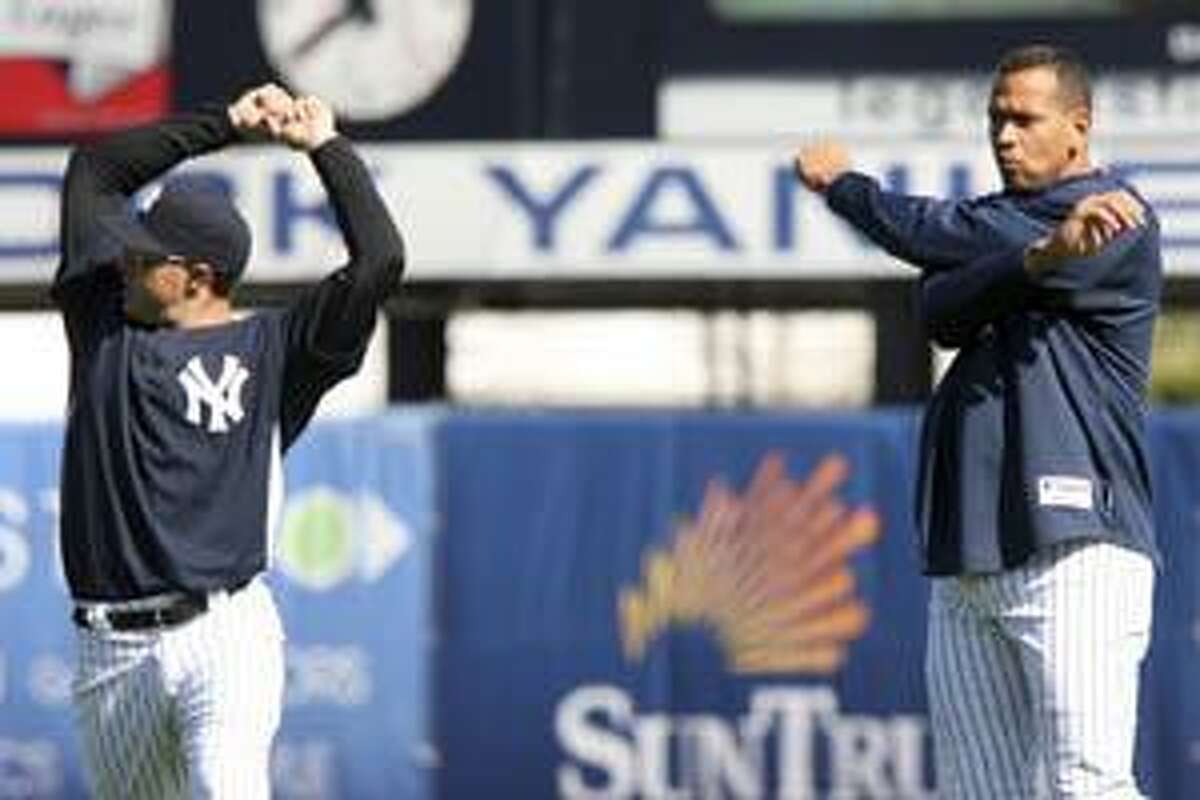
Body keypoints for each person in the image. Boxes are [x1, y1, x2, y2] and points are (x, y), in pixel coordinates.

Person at [795, 44, 1160, 798]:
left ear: (1078, 128)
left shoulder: (1115, 219)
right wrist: (1032, 261)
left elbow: (931, 234)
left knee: (1085, 786)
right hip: (969, 559)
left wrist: (843, 186)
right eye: (996, 118)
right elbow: (937, 304)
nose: (1003, 135)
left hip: (1076, 550)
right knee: (980, 791)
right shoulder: (1011, 228)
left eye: (1024, 118)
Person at [54, 84, 405, 798]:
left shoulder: (276, 350)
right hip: (110, 649)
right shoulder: (102, 321)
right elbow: (95, 169)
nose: (124, 258)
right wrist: (229, 124)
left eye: (145, 255)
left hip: (224, 632)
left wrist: (326, 150)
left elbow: (379, 262)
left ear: (197, 277)